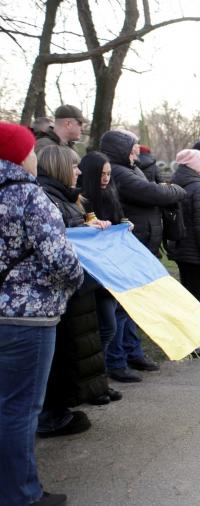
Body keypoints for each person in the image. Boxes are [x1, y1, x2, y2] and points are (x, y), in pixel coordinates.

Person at [0, 123, 83, 506]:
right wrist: (76, 278)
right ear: (19, 155)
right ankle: (22, 495)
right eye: (32, 151)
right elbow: (59, 258)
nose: (36, 157)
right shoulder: (28, 196)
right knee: (19, 411)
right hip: (26, 319)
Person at [35, 145, 113, 440]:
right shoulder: (49, 199)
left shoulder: (69, 198)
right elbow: (58, 245)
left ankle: (67, 403)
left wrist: (93, 227)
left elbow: (76, 228)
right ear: (58, 167)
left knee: (75, 347)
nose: (79, 171)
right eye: (74, 165)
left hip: (75, 290)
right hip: (64, 289)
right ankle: (52, 415)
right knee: (60, 355)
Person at [100, 129, 184, 382]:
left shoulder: (130, 168)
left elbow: (154, 189)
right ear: (121, 149)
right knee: (123, 306)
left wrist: (166, 188)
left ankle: (132, 352)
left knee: (133, 305)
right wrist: (175, 189)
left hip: (141, 243)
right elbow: (153, 193)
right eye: (133, 146)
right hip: (130, 245)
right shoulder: (120, 172)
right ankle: (117, 361)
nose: (137, 150)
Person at [79, 151, 128, 403]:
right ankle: (95, 381)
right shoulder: (81, 199)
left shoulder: (110, 194)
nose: (106, 179)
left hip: (110, 271)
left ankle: (100, 379)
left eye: (109, 174)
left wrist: (124, 225)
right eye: (102, 174)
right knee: (105, 326)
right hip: (91, 275)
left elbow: (117, 220)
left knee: (109, 326)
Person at [170, 149, 200, 357]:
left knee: (189, 295)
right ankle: (193, 343)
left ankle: (194, 340)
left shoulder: (181, 184)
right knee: (194, 298)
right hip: (196, 252)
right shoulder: (199, 190)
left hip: (184, 250)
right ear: (197, 167)